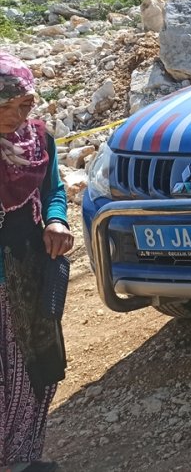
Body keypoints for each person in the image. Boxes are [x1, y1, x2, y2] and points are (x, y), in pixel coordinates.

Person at [0, 52, 73, 472]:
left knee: (34, 368)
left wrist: (57, 220)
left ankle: (23, 458)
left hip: (29, 271)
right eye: (4, 105)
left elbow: (54, 191)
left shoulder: (39, 140)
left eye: (23, 105)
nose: (15, 116)